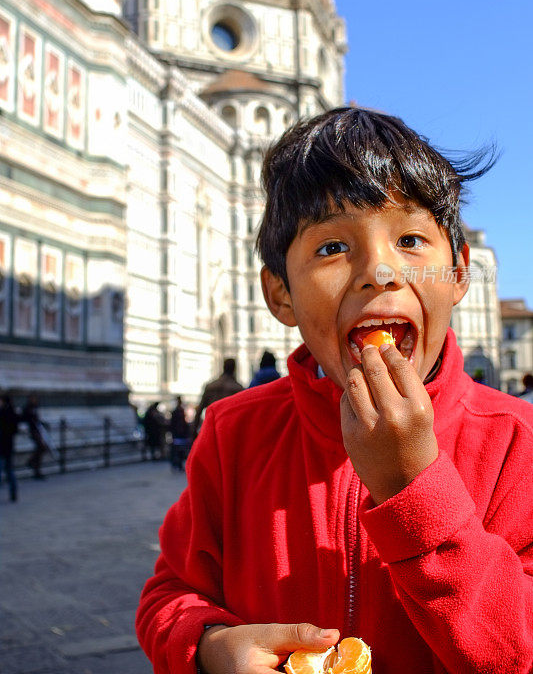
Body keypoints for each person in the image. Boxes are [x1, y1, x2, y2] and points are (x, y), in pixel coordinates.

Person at [136, 108, 533, 674]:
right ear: (281, 295)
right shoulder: (233, 434)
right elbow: (169, 592)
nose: (380, 271)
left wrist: (413, 487)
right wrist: (209, 647)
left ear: (458, 273)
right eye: (330, 248)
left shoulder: (518, 443)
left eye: (411, 239)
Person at [192, 358, 243, 439]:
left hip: (211, 429)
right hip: (230, 432)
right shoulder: (238, 389)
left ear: (223, 367)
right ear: (234, 369)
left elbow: (199, 410)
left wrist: (194, 431)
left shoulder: (211, 386)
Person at [21, 394, 48, 479]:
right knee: (41, 447)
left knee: (42, 448)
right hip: (33, 431)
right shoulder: (28, 408)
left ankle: (33, 465)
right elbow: (25, 419)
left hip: (37, 430)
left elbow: (36, 419)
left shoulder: (34, 408)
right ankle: (32, 463)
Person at [0, 392, 19, 501]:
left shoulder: (3, 413)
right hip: (9, 446)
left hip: (2, 447)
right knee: (10, 471)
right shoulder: (13, 412)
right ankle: (13, 493)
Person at [169, 396, 190, 471]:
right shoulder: (177, 411)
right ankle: (177, 463)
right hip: (178, 433)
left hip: (180, 434)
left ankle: (178, 464)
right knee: (178, 449)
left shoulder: (180, 411)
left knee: (179, 449)